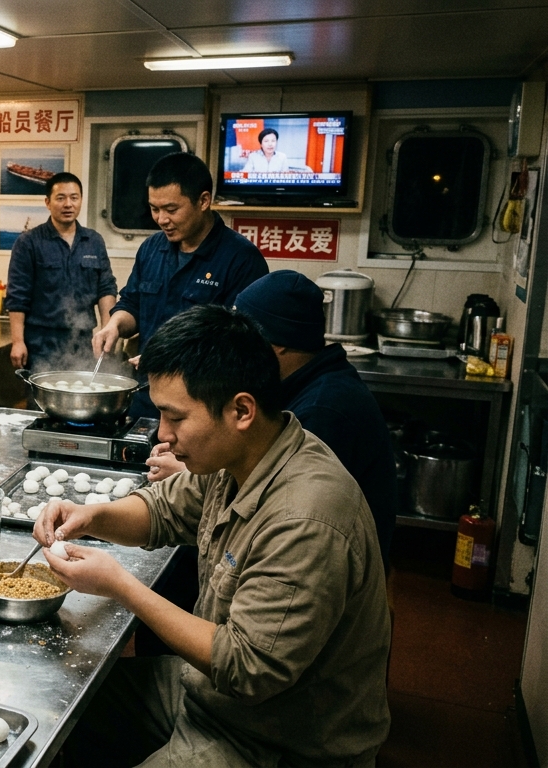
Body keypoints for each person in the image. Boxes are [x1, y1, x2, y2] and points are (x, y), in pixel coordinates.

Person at [37, 305, 390, 767]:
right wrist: (91, 515)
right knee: (58, 709)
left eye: (175, 418)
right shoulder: (243, 458)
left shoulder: (305, 518)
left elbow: (246, 667)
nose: (163, 434)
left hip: (278, 738)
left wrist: (120, 585)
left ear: (241, 410)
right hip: (208, 696)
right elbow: (163, 509)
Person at [145, 270, 399, 567]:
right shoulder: (296, 382)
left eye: (242, 336)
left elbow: (278, 492)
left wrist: (188, 465)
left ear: (274, 342)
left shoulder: (323, 410)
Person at [92, 152, 269, 417]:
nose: (162, 219)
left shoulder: (240, 259)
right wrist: (115, 324)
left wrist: (176, 361)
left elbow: (242, 346)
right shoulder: (151, 249)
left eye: (171, 210)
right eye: (154, 209)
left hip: (202, 406)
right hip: (147, 396)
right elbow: (133, 304)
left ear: (203, 201)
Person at [6, 171, 117, 370]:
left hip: (83, 340)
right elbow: (17, 296)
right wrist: (17, 341)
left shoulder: (94, 241)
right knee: (40, 400)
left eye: (74, 198)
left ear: (81, 200)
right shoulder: (29, 242)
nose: (68, 204)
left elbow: (106, 289)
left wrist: (107, 331)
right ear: (48, 202)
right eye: (61, 198)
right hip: (41, 342)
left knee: (81, 397)